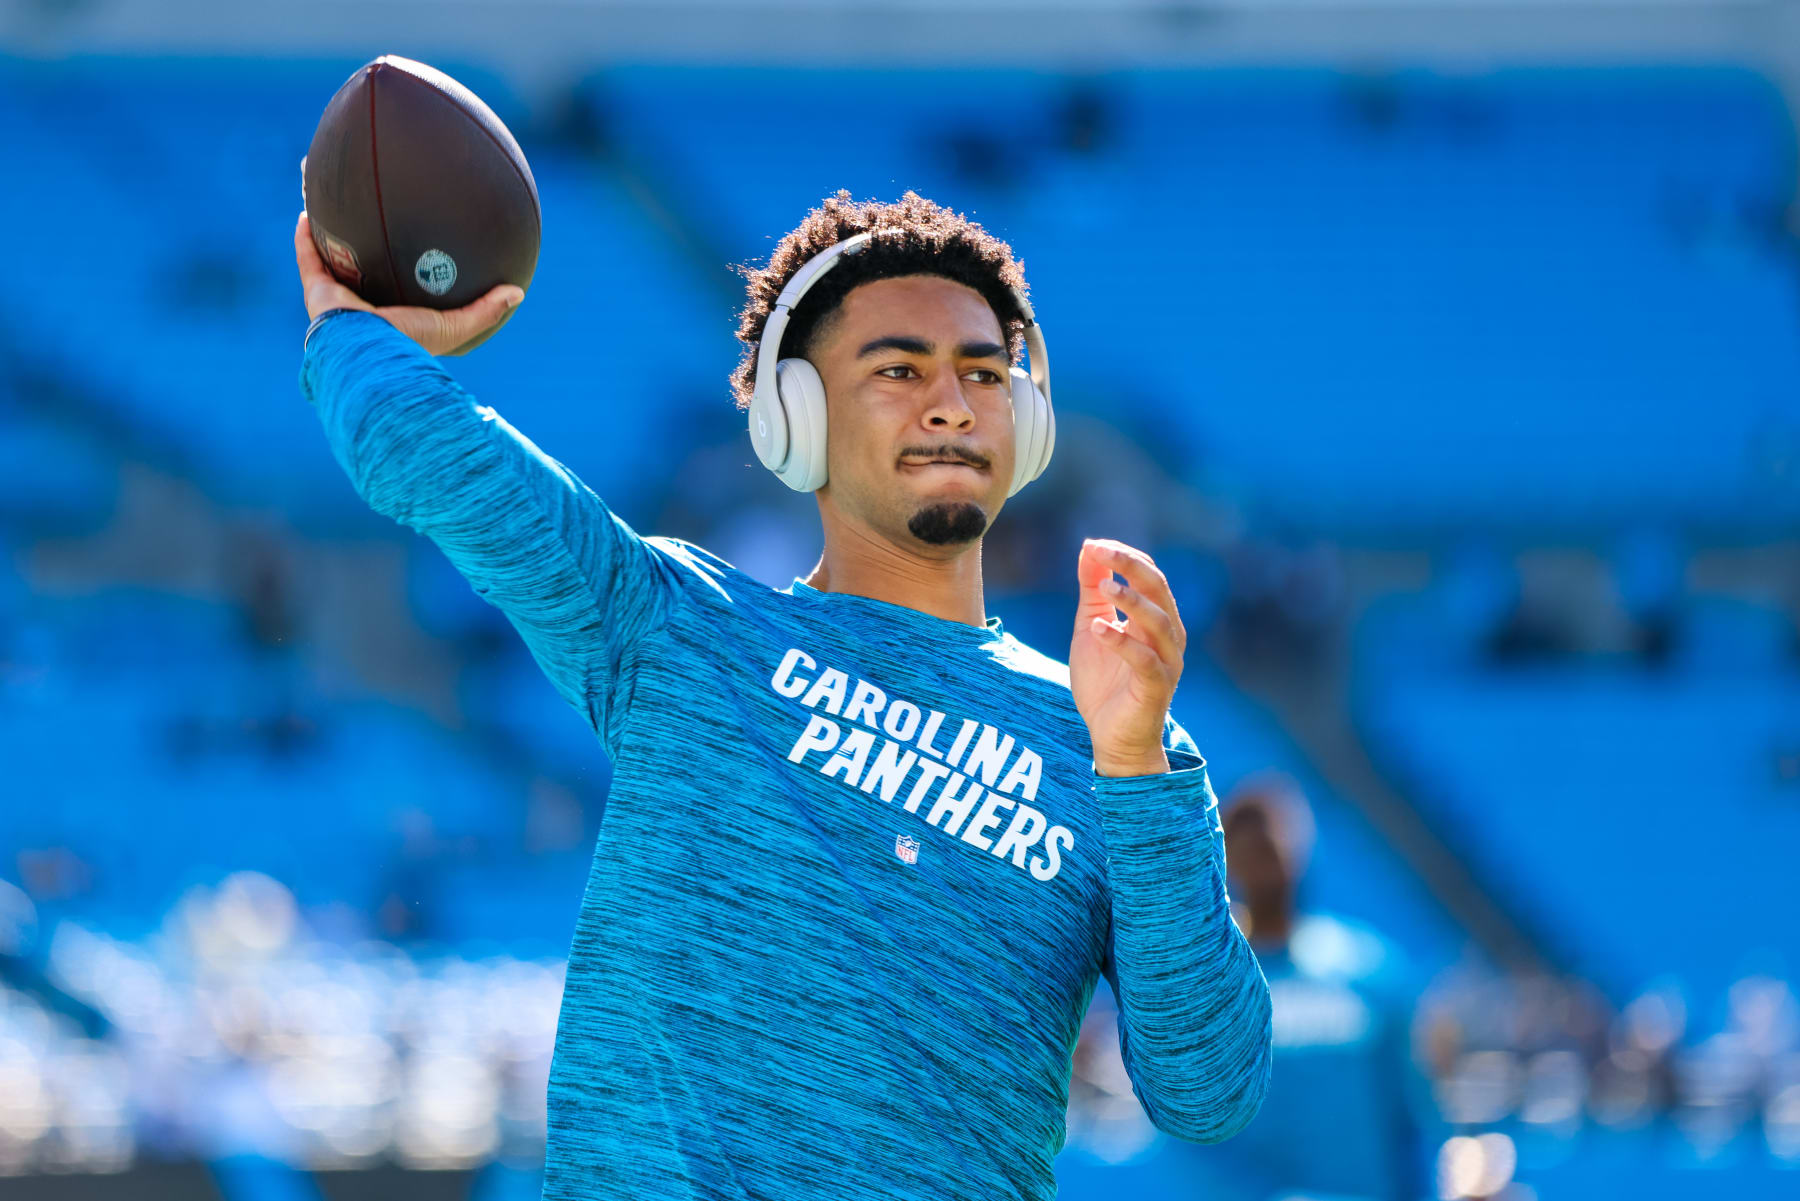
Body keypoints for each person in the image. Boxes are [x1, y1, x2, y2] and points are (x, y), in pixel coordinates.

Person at [291, 188, 1272, 1201]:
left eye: (985, 373)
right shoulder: (676, 625)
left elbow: (1211, 1090)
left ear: (1025, 421)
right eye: (898, 369)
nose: (953, 403)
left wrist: (1136, 767)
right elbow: (425, 451)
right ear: (795, 415)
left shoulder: (1119, 745)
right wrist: (357, 333)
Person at [1157, 772, 1437, 1201]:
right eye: (1248, 843)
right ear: (1224, 857)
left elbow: (1411, 1115)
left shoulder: (1371, 971)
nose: (1266, 854)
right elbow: (1190, 1135)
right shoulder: (1202, 992)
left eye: (1275, 837)